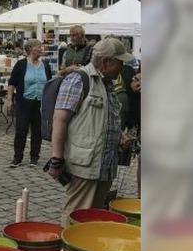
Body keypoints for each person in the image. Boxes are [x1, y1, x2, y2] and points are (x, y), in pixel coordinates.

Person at [47, 38, 133, 226]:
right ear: (106, 62)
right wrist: (57, 158)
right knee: (76, 216)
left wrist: (119, 136)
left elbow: (103, 119)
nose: (123, 66)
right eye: (120, 61)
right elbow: (59, 119)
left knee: (93, 217)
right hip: (84, 165)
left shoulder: (107, 82)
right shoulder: (79, 79)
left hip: (105, 165)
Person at [6, 39, 52, 168]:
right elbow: (12, 83)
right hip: (24, 102)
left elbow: (49, 84)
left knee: (37, 132)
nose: (41, 49)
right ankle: (17, 158)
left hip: (40, 103)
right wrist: (9, 100)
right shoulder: (21, 64)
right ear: (30, 48)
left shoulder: (45, 65)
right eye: (39, 47)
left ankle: (34, 158)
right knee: (21, 130)